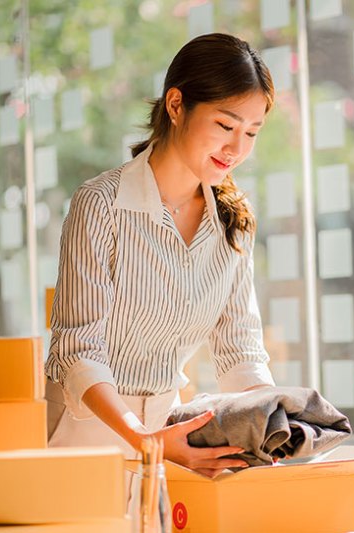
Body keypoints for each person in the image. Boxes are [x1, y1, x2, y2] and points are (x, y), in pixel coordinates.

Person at [45, 33, 276, 479]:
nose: (237, 149)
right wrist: (142, 439)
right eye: (225, 126)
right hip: (85, 436)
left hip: (172, 441)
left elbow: (240, 352)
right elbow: (77, 350)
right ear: (175, 105)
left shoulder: (233, 224)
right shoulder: (101, 205)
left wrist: (276, 423)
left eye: (251, 132)